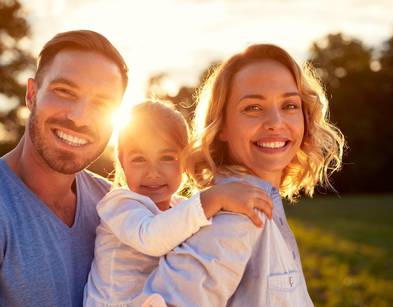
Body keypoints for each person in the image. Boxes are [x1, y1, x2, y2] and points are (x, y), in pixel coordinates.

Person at [138, 44, 345, 306]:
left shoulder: (259, 203)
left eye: (290, 105)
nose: (275, 121)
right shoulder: (235, 217)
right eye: (253, 108)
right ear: (222, 126)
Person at [0, 30, 129, 306]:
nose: (80, 117)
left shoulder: (115, 207)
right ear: (31, 94)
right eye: (64, 92)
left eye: (102, 104)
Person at [83, 101, 274, 306]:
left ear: (185, 160)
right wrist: (215, 198)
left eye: (166, 157)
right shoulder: (120, 204)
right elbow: (151, 237)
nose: (153, 173)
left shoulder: (182, 208)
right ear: (122, 162)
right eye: (139, 159)